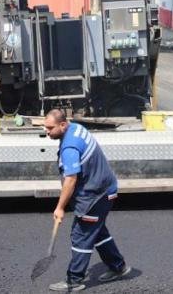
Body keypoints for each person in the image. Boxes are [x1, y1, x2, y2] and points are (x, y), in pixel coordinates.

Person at [44, 109, 130, 292]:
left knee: (81, 235)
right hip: (105, 188)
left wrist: (60, 207)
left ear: (62, 125)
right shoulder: (75, 128)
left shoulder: (70, 148)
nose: (47, 131)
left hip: (96, 196)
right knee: (97, 232)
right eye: (45, 127)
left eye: (50, 128)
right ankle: (118, 266)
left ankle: (74, 279)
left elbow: (71, 179)